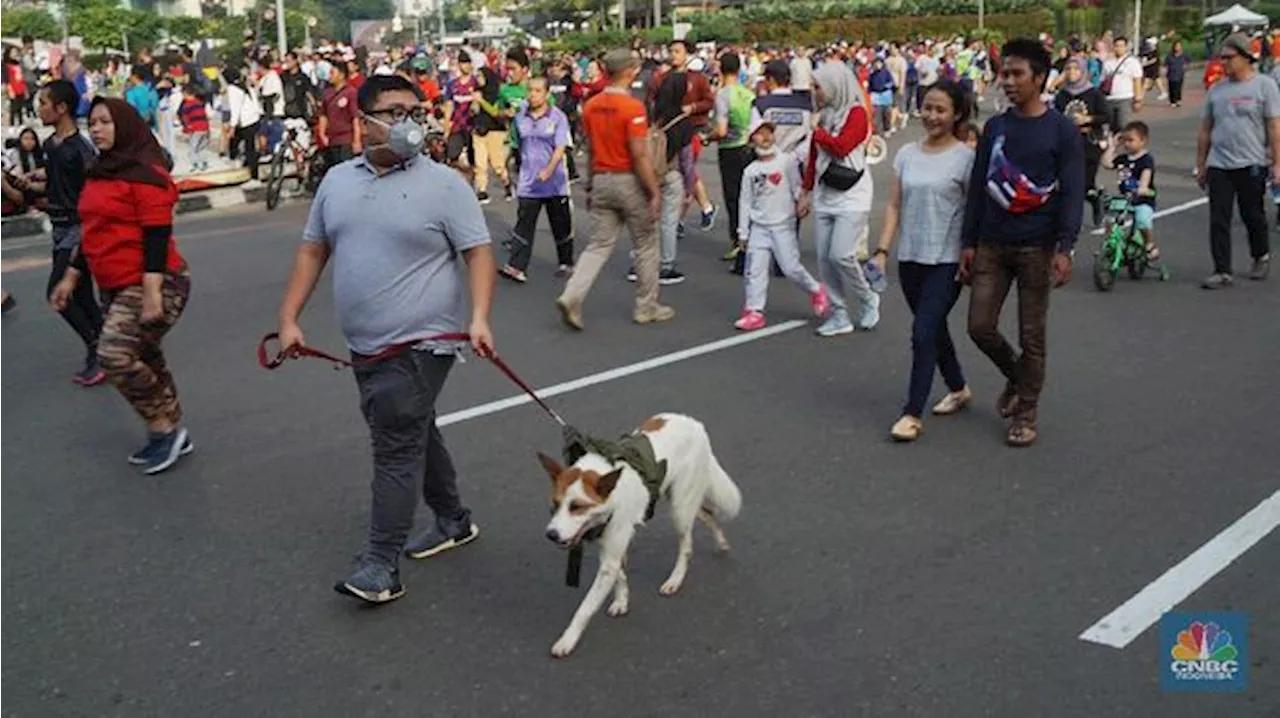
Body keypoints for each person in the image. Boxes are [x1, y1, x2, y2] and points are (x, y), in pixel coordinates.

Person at [276, 75, 496, 605]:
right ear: (364, 121)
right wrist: (289, 317)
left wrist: (481, 315)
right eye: (394, 113)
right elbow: (313, 249)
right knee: (415, 428)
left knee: (395, 441)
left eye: (414, 112)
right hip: (365, 347)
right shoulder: (336, 182)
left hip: (423, 344)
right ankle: (452, 519)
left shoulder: (445, 184)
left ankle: (380, 564)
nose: (408, 124)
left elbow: (479, 252)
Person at [50, 98, 193, 474]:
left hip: (158, 280)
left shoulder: (147, 174)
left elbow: (157, 238)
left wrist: (151, 296)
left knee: (114, 355)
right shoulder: (100, 172)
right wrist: (70, 275)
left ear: (125, 126)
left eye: (105, 122)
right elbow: (93, 231)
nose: (96, 129)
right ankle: (174, 427)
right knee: (144, 354)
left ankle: (163, 429)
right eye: (92, 122)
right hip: (114, 283)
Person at [959, 38, 1084, 448]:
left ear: (1040, 78)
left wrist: (1066, 247)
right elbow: (979, 185)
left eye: (1017, 74)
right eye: (1004, 73)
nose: (1007, 81)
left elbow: (1073, 189)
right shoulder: (996, 127)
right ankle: (1018, 377)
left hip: (1037, 246)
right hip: (992, 243)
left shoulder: (1062, 130)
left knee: (1033, 335)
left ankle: (1026, 411)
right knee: (979, 326)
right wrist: (969, 241)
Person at [874, 80, 975, 442]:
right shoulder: (906, 154)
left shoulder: (966, 158)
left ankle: (911, 413)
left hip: (947, 260)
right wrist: (882, 251)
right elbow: (894, 205)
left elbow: (973, 213)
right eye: (928, 108)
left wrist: (971, 254)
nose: (931, 116)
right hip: (911, 257)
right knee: (933, 328)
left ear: (957, 114)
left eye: (941, 109)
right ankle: (959, 387)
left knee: (922, 333)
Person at [555, 49, 672, 331]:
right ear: (630, 72)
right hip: (628, 179)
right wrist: (654, 191)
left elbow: (593, 148)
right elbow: (639, 155)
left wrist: (591, 183)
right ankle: (646, 305)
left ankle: (572, 295)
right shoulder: (633, 108)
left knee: (599, 244)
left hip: (602, 178)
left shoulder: (592, 105)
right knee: (645, 242)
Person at [25, 80, 105, 385]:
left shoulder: (81, 150)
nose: (39, 109)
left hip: (78, 229)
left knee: (58, 292)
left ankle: (96, 349)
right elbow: (54, 181)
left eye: (44, 103)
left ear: (62, 108)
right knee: (82, 294)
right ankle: (106, 348)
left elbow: (91, 193)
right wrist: (31, 184)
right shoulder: (50, 145)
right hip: (58, 227)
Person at [800, 61, 880, 337]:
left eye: (818, 86)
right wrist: (805, 192)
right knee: (824, 259)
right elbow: (814, 157)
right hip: (825, 192)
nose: (815, 91)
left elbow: (841, 146)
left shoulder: (857, 114)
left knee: (841, 255)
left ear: (835, 85)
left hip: (853, 195)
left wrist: (818, 132)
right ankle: (839, 313)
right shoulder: (822, 114)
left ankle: (867, 296)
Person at [1196, 33, 1278, 289]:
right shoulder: (1217, 90)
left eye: (1229, 58)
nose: (1224, 63)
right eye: (1221, 58)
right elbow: (1205, 129)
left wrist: (1277, 162)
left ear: (1245, 57)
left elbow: (1274, 126)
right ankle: (1222, 270)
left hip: (1252, 161)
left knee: (1252, 213)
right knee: (1218, 217)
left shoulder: (1264, 86)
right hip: (1220, 162)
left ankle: (1260, 254)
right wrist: (1201, 164)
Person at [733, 118, 827, 331]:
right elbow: (745, 201)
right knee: (754, 269)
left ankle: (816, 290)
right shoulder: (750, 171)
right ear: (751, 140)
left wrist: (801, 201)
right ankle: (754, 310)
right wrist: (743, 232)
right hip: (759, 226)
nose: (765, 137)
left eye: (769, 132)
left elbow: (796, 185)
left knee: (791, 268)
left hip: (782, 225)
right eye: (760, 133)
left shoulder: (786, 161)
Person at [499, 76, 573, 283]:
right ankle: (516, 266)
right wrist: (510, 163)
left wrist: (549, 170)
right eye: (530, 90)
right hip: (529, 182)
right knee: (524, 223)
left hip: (554, 182)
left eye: (538, 91)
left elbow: (560, 148)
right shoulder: (520, 117)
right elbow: (517, 142)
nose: (532, 95)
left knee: (561, 224)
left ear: (547, 93)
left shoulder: (557, 117)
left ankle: (566, 262)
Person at [712, 51, 757, 266]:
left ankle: (738, 242)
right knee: (750, 196)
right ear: (739, 69)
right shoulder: (748, 93)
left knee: (733, 196)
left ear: (720, 69)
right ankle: (753, 238)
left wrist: (707, 137)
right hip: (748, 147)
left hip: (729, 148)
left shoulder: (722, 95)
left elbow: (721, 131)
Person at [1054, 57, 1108, 225]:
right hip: (1067, 143)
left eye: (1076, 70)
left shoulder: (1094, 94)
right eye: (1068, 69)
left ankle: (1095, 199)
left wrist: (1088, 118)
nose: (1072, 73)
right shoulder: (1062, 95)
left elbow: (1107, 116)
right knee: (1067, 183)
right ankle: (1068, 219)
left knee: (1084, 183)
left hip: (1089, 142)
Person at [1102, 120, 1162, 264]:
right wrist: (1112, 147)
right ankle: (1111, 244)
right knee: (1110, 219)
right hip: (1125, 198)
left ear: (1143, 141)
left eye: (1131, 140)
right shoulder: (1123, 158)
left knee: (1142, 220)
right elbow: (1107, 163)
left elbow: (1146, 176)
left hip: (1142, 199)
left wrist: (1142, 188)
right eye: (1125, 140)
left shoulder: (1146, 160)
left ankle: (1149, 244)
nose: (1127, 144)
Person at [317, 62, 362, 171]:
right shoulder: (327, 93)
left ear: (341, 75)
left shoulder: (350, 92)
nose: (330, 76)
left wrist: (356, 140)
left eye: (333, 73)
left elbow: (355, 118)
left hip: (346, 139)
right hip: (332, 140)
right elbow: (323, 115)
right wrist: (322, 134)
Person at [1102, 36, 1144, 133]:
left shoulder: (1132, 62)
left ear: (1126, 47)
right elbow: (1103, 80)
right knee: (1111, 127)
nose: (1119, 48)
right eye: (1116, 46)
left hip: (1125, 98)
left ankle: (1125, 144)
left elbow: (1137, 80)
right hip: (1110, 98)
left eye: (1121, 46)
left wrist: (1138, 99)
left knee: (1124, 125)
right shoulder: (1108, 63)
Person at [1165, 40, 1189, 108]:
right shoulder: (1170, 56)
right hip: (1171, 74)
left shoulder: (1184, 55)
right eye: (1176, 46)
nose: (1177, 48)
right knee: (1172, 88)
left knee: (1178, 87)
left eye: (1179, 46)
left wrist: (1186, 66)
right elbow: (1166, 64)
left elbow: (1188, 62)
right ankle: (1172, 101)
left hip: (1180, 74)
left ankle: (1178, 100)